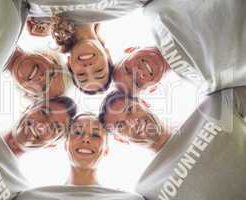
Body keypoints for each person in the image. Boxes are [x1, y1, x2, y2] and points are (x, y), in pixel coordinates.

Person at [99, 89, 246, 200]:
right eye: (120, 126)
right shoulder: (145, 189)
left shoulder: (212, 106)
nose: (132, 122)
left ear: (144, 103)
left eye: (130, 110)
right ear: (121, 140)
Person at [14, 113, 144, 200]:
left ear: (106, 150)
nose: (86, 139)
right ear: (66, 145)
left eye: (95, 135)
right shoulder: (32, 197)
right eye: (77, 132)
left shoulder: (128, 198)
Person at [26, 0, 144, 94]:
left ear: (69, 63)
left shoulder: (39, 17)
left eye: (81, 75)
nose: (88, 67)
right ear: (107, 55)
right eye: (99, 71)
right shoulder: (122, 8)